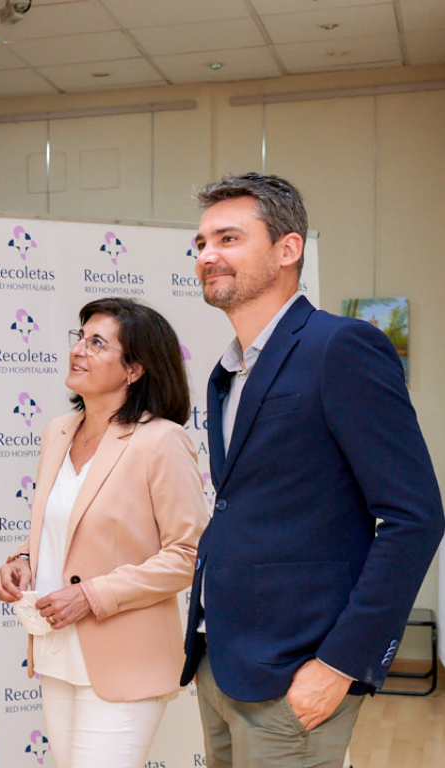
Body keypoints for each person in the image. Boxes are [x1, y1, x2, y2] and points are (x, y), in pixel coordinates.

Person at [181, 173, 444, 768]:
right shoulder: (227, 375)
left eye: (227, 238)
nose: (207, 256)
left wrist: (341, 663)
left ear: (288, 248)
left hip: (297, 675)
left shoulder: (341, 348)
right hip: (220, 663)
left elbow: (415, 517)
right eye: (200, 244)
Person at [0, 297, 208, 768]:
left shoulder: (162, 441)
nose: (79, 351)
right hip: (55, 651)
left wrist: (93, 595)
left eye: (97, 343)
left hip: (125, 658)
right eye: (80, 338)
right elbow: (64, 528)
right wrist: (24, 562)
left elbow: (188, 554)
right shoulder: (58, 431)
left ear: (134, 369)